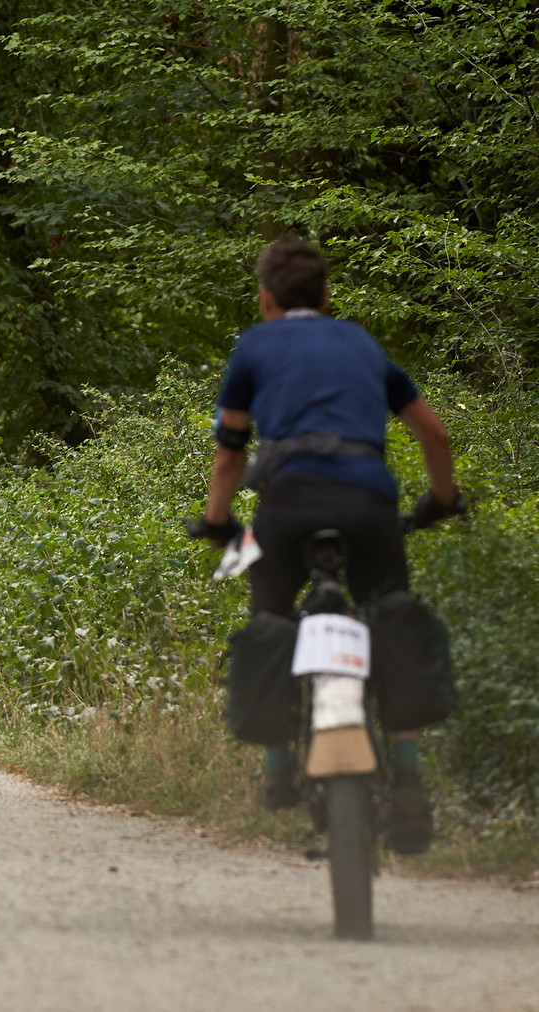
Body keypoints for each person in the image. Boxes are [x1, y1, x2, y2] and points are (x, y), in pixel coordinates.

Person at [193, 235, 463, 854]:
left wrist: (217, 521)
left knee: (268, 615)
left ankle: (279, 765)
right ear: (327, 295)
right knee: (392, 615)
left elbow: (230, 453)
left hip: (286, 510)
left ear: (265, 299)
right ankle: (408, 772)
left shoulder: (254, 346)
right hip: (368, 506)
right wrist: (442, 500)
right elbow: (434, 433)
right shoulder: (360, 342)